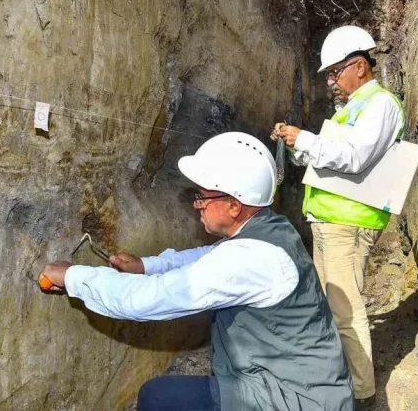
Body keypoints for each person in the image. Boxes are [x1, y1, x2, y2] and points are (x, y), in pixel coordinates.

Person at [39, 132, 354, 411]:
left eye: (203, 197)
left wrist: (71, 275)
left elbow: (144, 300)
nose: (197, 205)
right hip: (305, 386)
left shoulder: (251, 259)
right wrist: (146, 265)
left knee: (159, 397)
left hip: (299, 400)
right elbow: (210, 256)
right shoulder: (269, 228)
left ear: (234, 205)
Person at [271, 25, 406, 410]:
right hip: (331, 221)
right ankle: (343, 378)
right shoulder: (350, 110)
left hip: (349, 223)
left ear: (359, 67)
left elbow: (356, 158)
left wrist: (307, 140)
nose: (331, 80)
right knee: (334, 307)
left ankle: (362, 393)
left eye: (335, 71)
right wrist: (296, 146)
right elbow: (329, 160)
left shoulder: (379, 105)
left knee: (347, 312)